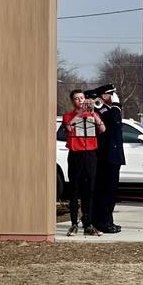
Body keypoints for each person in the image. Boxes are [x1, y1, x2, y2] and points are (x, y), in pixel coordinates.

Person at [61, 88, 105, 236]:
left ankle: (88, 223)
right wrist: (80, 113)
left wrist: (93, 113)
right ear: (73, 101)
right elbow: (68, 127)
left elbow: (103, 129)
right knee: (74, 190)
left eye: (82, 98)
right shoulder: (68, 115)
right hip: (76, 155)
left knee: (90, 190)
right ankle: (74, 223)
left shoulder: (93, 114)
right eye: (77, 99)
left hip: (91, 154)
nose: (80, 100)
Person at [89, 83, 125, 234]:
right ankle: (103, 222)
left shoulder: (107, 108)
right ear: (104, 95)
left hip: (113, 155)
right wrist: (116, 104)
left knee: (111, 192)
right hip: (106, 155)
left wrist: (115, 105)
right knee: (106, 191)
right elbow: (114, 119)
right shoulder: (100, 108)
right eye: (111, 94)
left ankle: (107, 221)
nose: (113, 97)